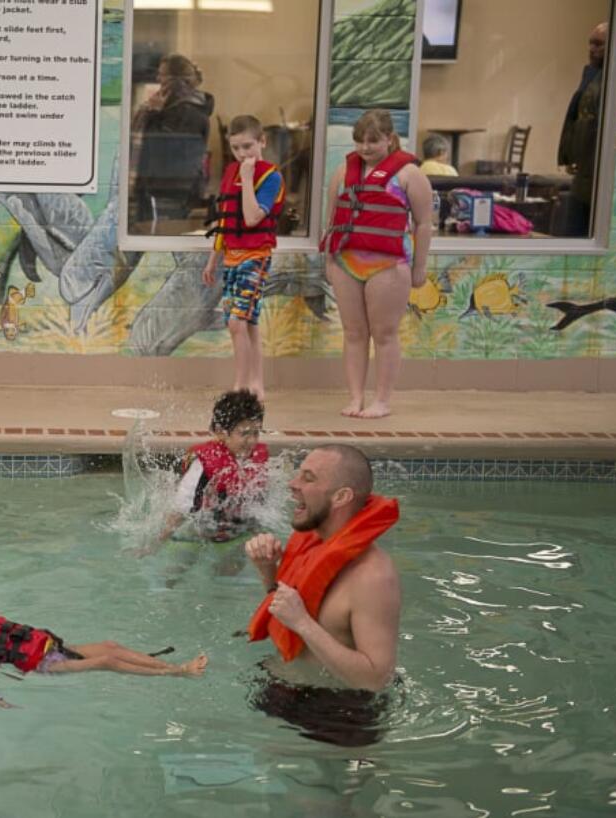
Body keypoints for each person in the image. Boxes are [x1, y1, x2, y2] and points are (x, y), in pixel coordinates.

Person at [242, 444, 400, 745]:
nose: (292, 484)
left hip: (338, 715)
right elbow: (292, 616)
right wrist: (268, 573)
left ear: (341, 496)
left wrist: (302, 623)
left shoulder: (373, 576)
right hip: (283, 689)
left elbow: (376, 678)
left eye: (308, 478)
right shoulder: (313, 545)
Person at [321, 109, 433, 419]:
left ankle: (382, 400)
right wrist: (328, 261)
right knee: (353, 332)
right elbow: (331, 220)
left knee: (384, 333)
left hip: (389, 264)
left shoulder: (409, 175)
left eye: (373, 141)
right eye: (359, 141)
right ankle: (355, 397)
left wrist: (419, 267)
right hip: (347, 261)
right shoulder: (343, 173)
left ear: (390, 139)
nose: (365, 148)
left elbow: (424, 224)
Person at [0, 613, 208, 708]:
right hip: (43, 663)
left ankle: (164, 667)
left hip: (47, 646)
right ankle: (178, 672)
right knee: (104, 660)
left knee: (110, 646)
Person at [202, 115, 285, 404]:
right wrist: (213, 259)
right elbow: (227, 221)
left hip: (255, 256)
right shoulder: (230, 172)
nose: (242, 154)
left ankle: (240, 386)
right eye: (236, 148)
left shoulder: (270, 176)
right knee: (247, 323)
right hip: (232, 259)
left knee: (237, 323)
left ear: (262, 141)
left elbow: (251, 218)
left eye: (248, 146)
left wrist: (248, 178)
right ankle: (256, 383)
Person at [131, 389, 269, 562]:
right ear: (221, 432)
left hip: (236, 531)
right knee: (180, 567)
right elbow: (179, 511)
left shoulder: (254, 460)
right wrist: (154, 544)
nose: (252, 441)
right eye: (244, 434)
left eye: (256, 433)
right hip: (199, 530)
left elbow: (260, 506)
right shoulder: (202, 465)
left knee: (230, 571)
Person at [131, 54, 215, 230]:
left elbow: (161, 148)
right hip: (171, 189)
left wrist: (153, 113)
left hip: (168, 191)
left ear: (174, 79)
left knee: (159, 235)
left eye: (161, 74)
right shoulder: (183, 107)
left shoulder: (185, 110)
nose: (158, 79)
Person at [557, 22, 608, 237]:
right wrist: (568, 155)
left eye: (599, 44)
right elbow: (577, 117)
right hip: (582, 171)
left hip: (597, 172)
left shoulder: (612, 80)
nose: (592, 49)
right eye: (591, 43)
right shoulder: (591, 75)